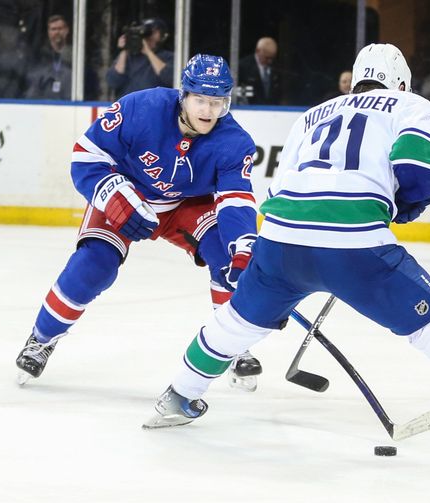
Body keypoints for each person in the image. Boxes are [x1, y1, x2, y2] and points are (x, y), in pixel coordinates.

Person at [144, 43, 430, 460]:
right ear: (401, 84)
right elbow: (417, 168)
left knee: (234, 324)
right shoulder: (411, 106)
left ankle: (178, 396)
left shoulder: (313, 114)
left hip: (281, 240)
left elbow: (281, 186)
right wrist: (407, 203)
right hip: (356, 245)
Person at [15, 54, 263, 392]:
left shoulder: (234, 142)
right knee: (94, 265)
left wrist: (243, 247)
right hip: (127, 194)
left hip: (187, 205)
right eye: (200, 100)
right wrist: (114, 196)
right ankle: (42, 338)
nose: (208, 111)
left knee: (226, 258)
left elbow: (235, 200)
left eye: (217, 102)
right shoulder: (140, 108)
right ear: (184, 95)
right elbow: (86, 156)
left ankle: (233, 344)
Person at [106, 17, 174, 98]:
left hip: (154, 106)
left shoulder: (168, 56)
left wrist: (148, 52)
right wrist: (124, 49)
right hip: (128, 106)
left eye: (154, 32)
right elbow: (113, 81)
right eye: (148, 31)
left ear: (163, 35)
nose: (150, 35)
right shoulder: (128, 56)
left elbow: (169, 78)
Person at [25, 14, 71, 100]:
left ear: (66, 30)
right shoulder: (39, 56)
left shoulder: (76, 56)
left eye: (60, 29)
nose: (57, 32)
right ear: (48, 32)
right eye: (53, 29)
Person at [0, 24, 30, 98]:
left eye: (13, 34)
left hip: (15, 97)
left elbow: (24, 76)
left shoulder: (22, 54)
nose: (12, 38)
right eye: (8, 34)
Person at [237, 37, 281, 105]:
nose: (270, 61)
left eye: (272, 58)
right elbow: (238, 92)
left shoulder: (276, 67)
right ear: (257, 51)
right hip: (249, 110)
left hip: (272, 110)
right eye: (267, 58)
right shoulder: (243, 67)